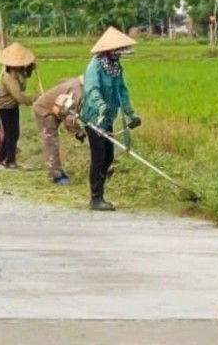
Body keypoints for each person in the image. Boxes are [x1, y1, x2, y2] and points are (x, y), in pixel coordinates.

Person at [81, 26, 141, 211]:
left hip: (108, 119)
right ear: (110, 51)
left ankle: (100, 190)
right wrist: (101, 105)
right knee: (98, 157)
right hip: (94, 118)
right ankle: (95, 198)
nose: (120, 55)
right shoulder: (95, 66)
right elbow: (92, 89)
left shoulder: (115, 68)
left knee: (108, 157)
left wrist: (131, 114)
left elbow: (122, 91)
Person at [31, 76, 86, 185]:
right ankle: (56, 174)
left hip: (57, 109)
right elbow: (69, 118)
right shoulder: (77, 91)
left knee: (52, 140)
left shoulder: (76, 85)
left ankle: (57, 171)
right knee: (51, 141)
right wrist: (78, 132)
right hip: (44, 110)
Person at [0, 43, 37, 169]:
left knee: (10, 132)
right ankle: (10, 160)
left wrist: (30, 70)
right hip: (5, 106)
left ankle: (0, 157)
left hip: (12, 105)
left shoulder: (17, 69)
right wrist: (32, 100)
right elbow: (17, 95)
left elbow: (23, 79)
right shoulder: (7, 75)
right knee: (13, 133)